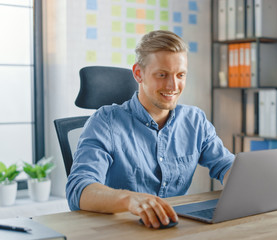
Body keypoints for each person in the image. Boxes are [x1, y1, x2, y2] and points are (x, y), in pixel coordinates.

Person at [66, 30, 234, 229]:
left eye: (180, 75)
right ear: (138, 73)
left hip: (175, 229)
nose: (173, 85)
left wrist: (243, 182)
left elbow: (226, 165)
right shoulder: (105, 121)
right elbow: (79, 189)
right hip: (123, 231)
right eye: (162, 75)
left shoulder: (194, 120)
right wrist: (130, 200)